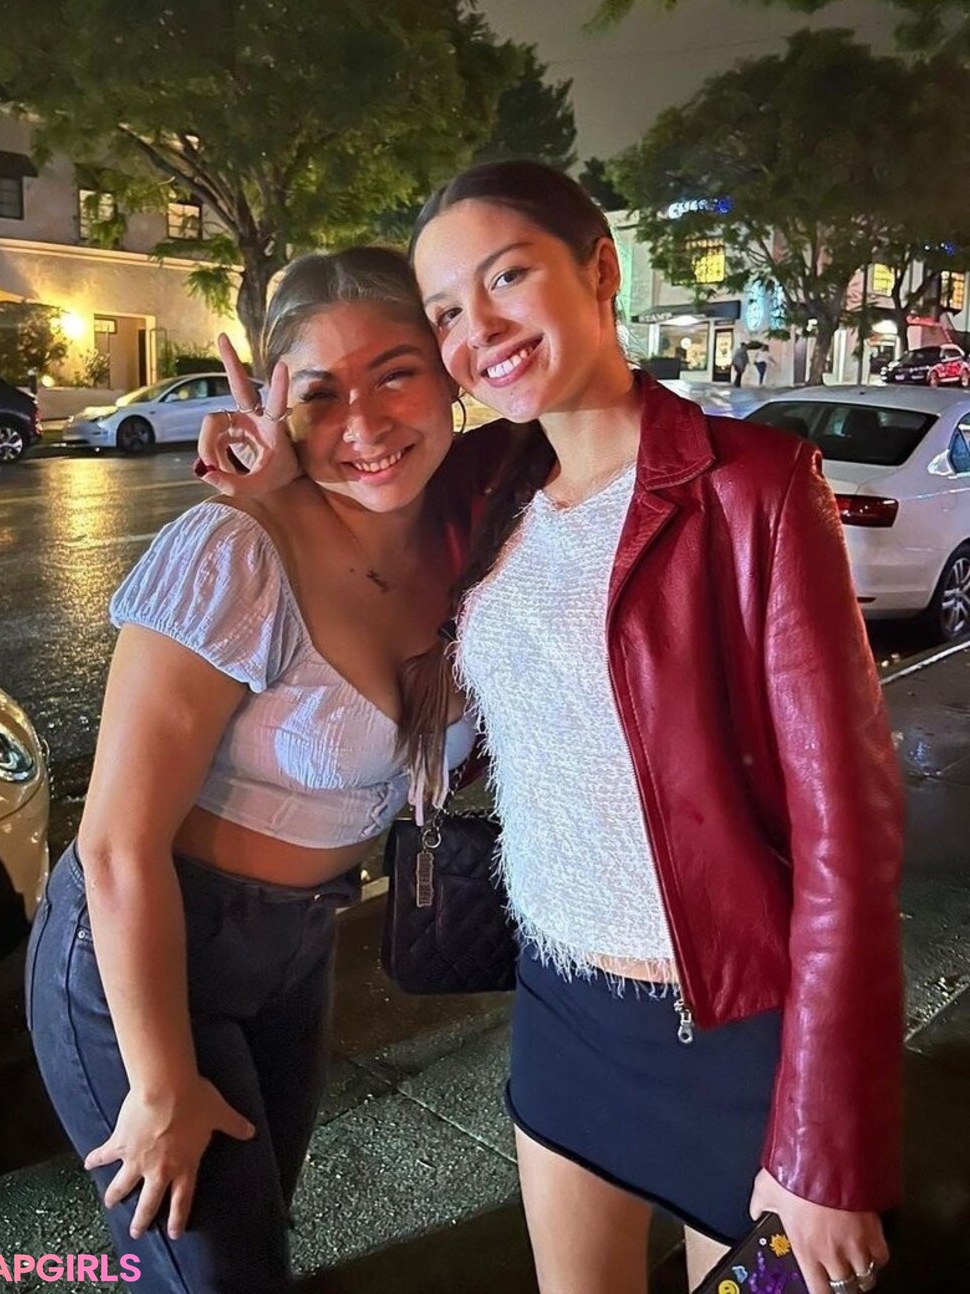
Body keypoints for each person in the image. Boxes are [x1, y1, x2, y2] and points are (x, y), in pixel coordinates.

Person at [197, 166, 903, 1294]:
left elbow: (847, 839)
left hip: (730, 1030)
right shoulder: (486, 482)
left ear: (600, 268)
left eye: (507, 278)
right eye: (444, 313)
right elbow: (365, 513)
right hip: (561, 1006)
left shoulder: (752, 489)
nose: (478, 331)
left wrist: (826, 1146)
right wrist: (283, 479)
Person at [25, 247, 507, 1294]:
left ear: (450, 372)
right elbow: (113, 844)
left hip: (299, 951)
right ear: (280, 409)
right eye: (320, 393)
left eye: (396, 373)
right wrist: (160, 1084)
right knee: (217, 1274)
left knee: (254, 1246)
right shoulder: (233, 551)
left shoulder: (467, 539)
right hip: (141, 951)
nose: (363, 423)